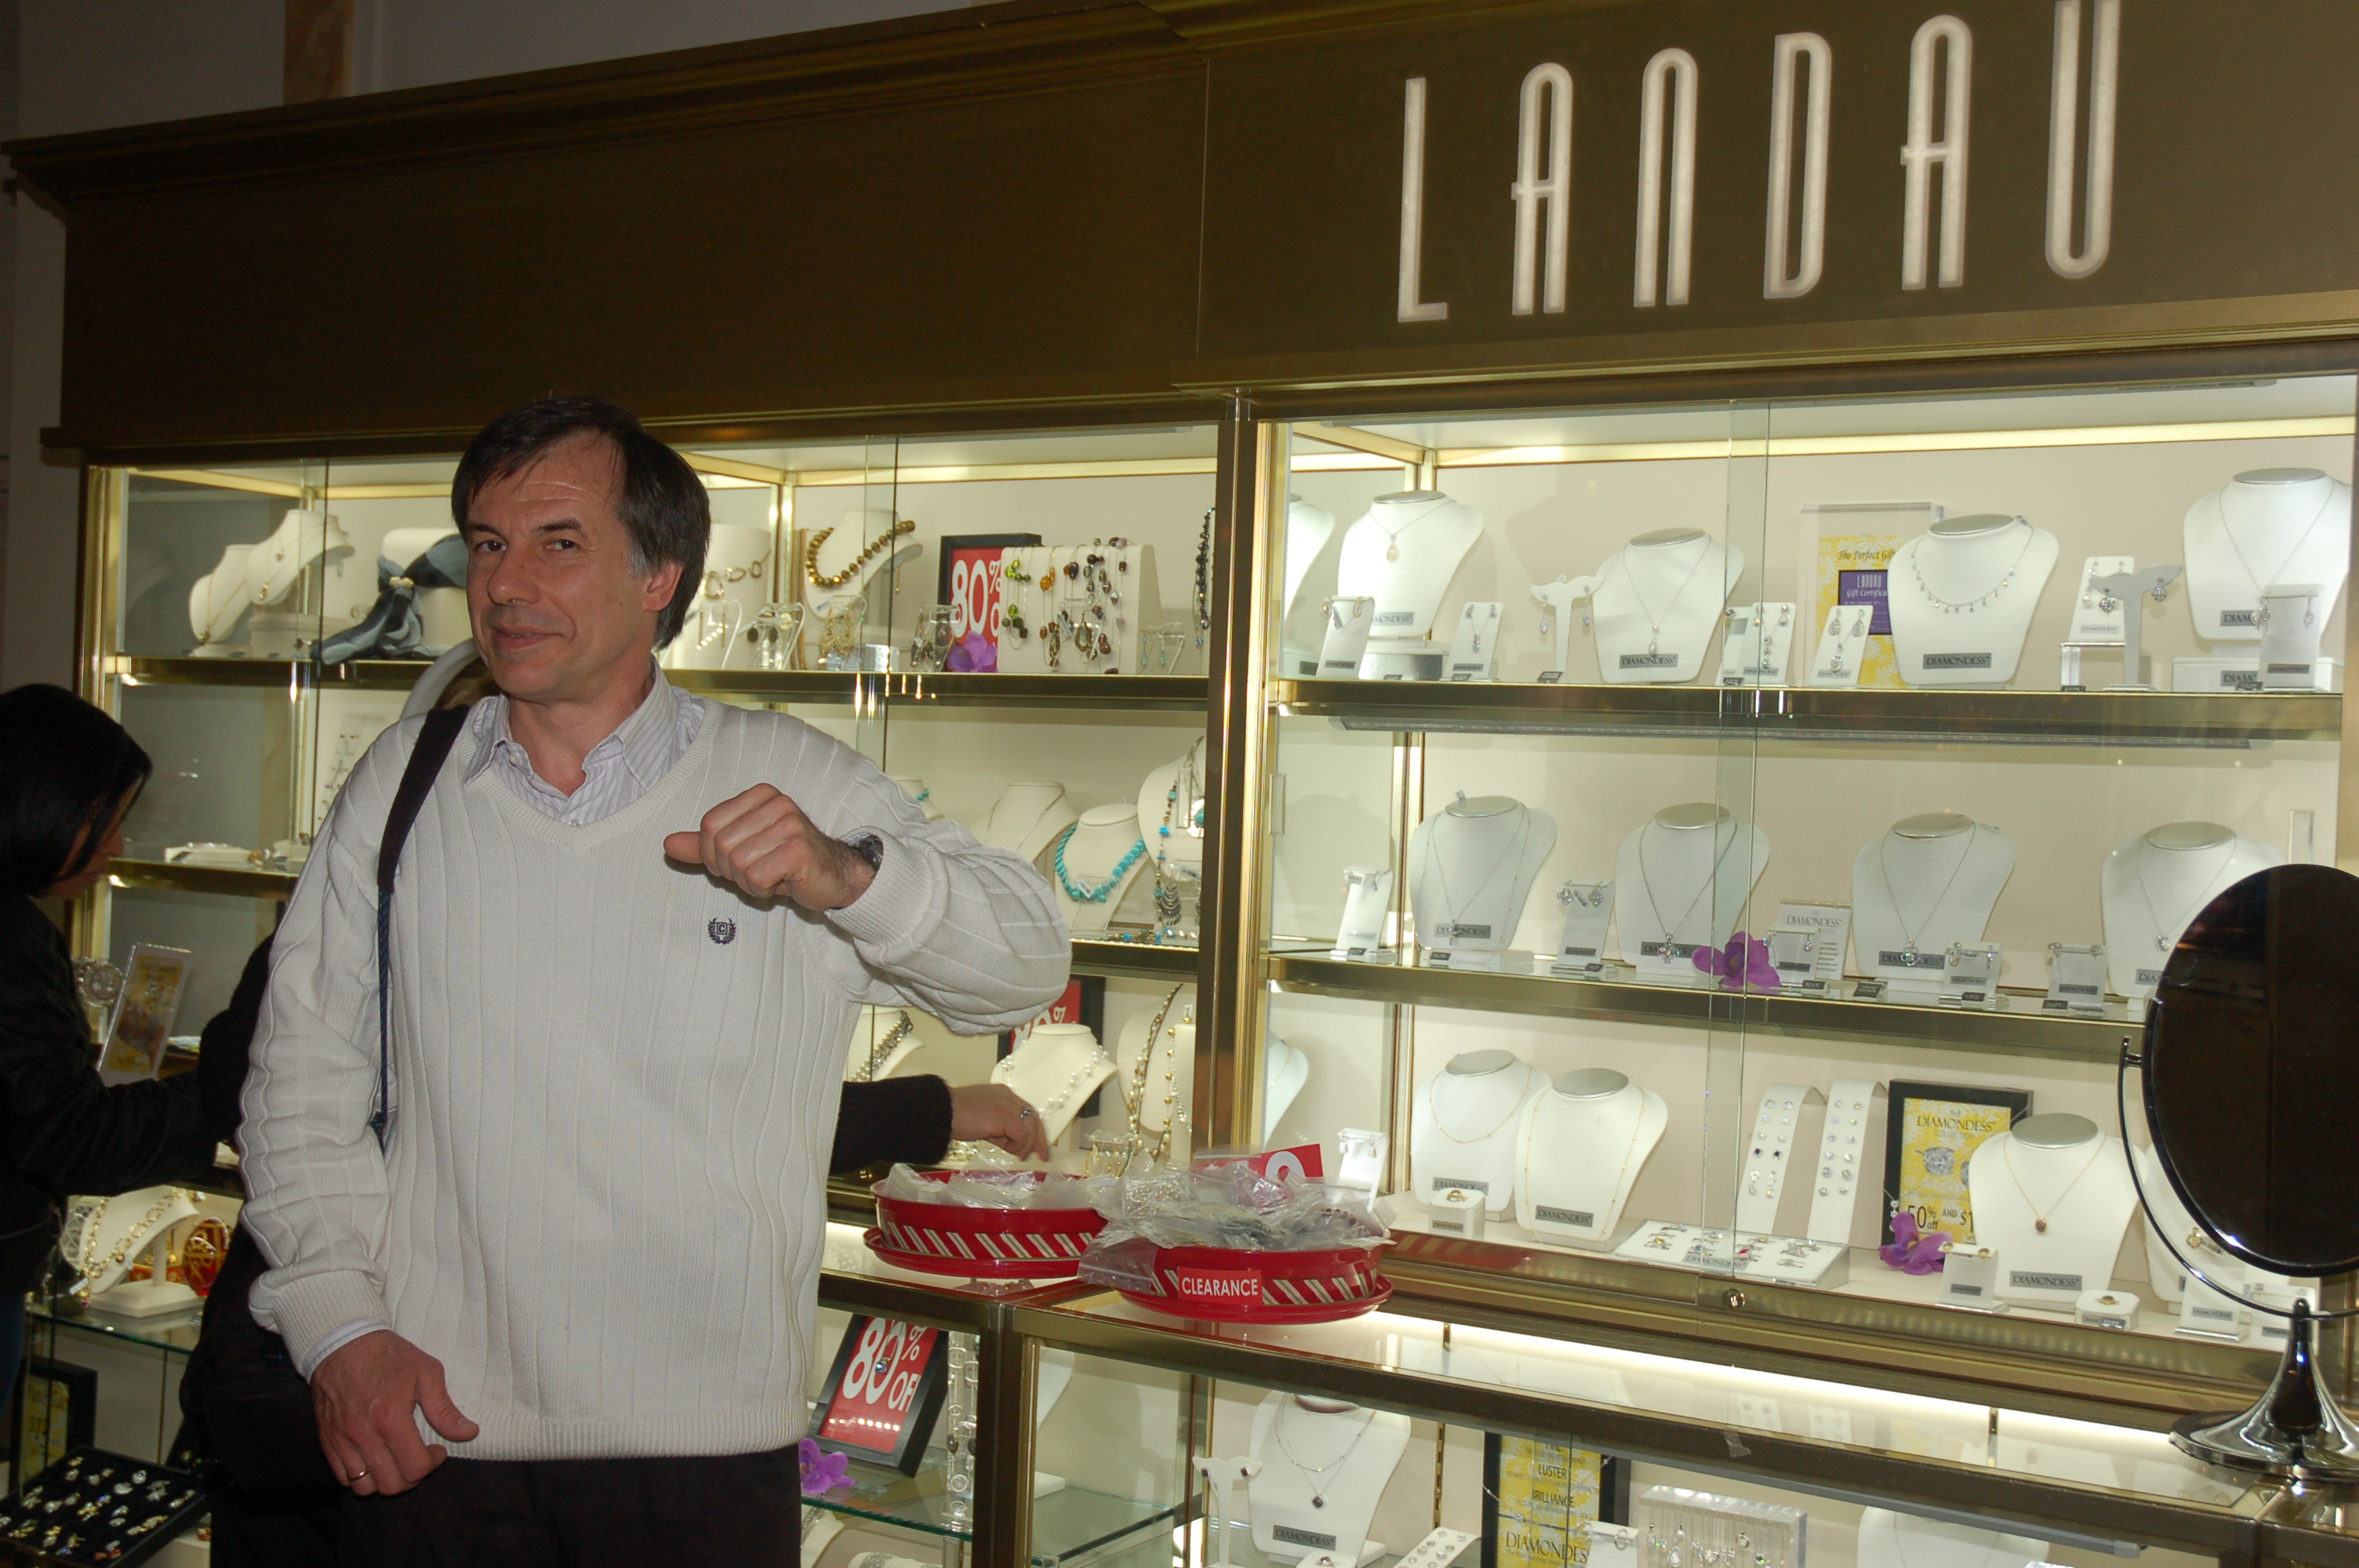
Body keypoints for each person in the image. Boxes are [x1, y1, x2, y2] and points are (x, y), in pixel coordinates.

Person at [238, 398, 1069, 1564]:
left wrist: (847, 877)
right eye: (488, 543)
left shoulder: (790, 778)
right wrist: (338, 1327)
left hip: (705, 1460)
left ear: (658, 577)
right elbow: (301, 1079)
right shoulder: (403, 783)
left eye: (558, 542)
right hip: (433, 1431)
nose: (506, 583)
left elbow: (1026, 964)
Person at [0, 685, 245, 1399]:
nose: (113, 846)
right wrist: (232, 1083)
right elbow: (67, 1134)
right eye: (100, 821)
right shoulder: (11, 941)